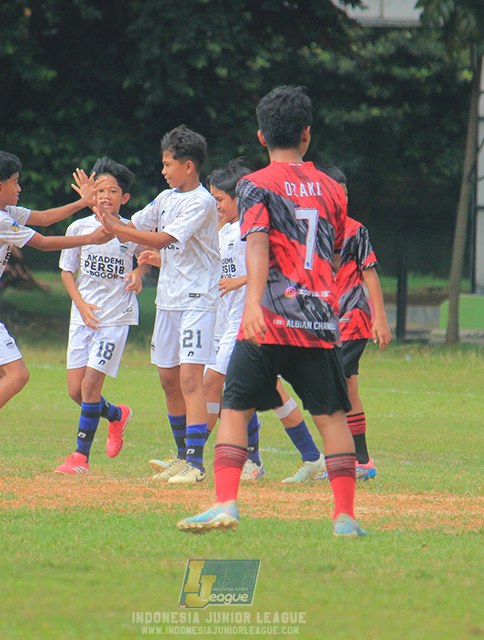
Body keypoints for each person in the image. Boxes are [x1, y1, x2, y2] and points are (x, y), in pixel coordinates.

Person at [177, 85, 368, 537]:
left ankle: (226, 503)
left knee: (235, 407)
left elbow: (257, 244)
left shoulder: (254, 185)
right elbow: (335, 253)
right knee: (332, 418)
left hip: (268, 318)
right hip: (319, 320)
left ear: (261, 136)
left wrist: (253, 305)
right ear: (307, 134)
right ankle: (344, 517)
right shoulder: (331, 189)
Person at [0, 149, 110, 472]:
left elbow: (45, 217)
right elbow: (45, 243)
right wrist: (91, 237)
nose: (19, 188)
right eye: (15, 182)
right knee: (18, 375)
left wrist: (82, 203)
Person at [97, 126, 220, 485]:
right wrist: (101, 208)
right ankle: (182, 457)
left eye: (168, 164)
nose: (163, 171)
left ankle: (196, 465)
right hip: (168, 300)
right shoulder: (166, 198)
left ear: (189, 166)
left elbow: (159, 239)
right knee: (169, 380)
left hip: (197, 299)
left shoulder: (202, 202)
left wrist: (116, 226)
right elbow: (131, 225)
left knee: (190, 380)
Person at [201, 158, 326, 483]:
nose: (216, 207)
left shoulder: (254, 227)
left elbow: (274, 265)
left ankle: (193, 457)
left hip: (250, 318)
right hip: (229, 319)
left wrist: (240, 283)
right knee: (259, 389)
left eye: (220, 200)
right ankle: (303, 457)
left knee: (213, 383)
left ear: (238, 198)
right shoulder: (227, 228)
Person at [55, 157, 150, 475]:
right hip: (83, 317)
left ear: (124, 198)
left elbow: (147, 255)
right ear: (91, 193)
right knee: (75, 390)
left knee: (91, 386)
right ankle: (116, 415)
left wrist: (139, 271)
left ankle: (80, 458)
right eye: (100, 189)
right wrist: (80, 304)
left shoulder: (130, 230)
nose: (106, 195)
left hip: (115, 318)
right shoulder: (78, 228)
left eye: (113, 190)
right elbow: (67, 271)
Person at [319, 165, 391, 480]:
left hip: (353, 317)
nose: (343, 199)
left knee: (330, 388)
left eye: (346, 193)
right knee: (348, 388)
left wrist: (381, 319)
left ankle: (341, 461)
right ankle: (362, 461)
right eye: (337, 193)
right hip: (325, 320)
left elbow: (370, 275)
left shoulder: (355, 230)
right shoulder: (313, 229)